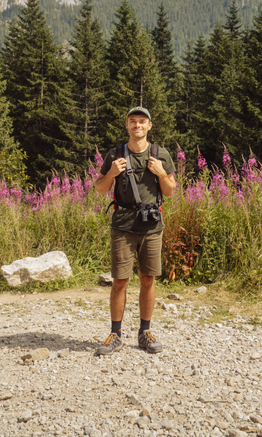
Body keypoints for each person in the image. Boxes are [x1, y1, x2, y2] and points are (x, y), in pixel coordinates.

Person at [95, 106, 176, 355]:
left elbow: (171, 189)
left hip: (151, 225)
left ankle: (145, 332)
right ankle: (115, 334)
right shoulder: (115, 154)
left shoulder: (160, 154)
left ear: (150, 126)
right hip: (123, 224)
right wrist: (111, 173)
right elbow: (100, 188)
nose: (137, 126)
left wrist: (162, 173)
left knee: (148, 279)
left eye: (142, 122)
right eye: (133, 121)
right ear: (127, 125)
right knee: (120, 280)